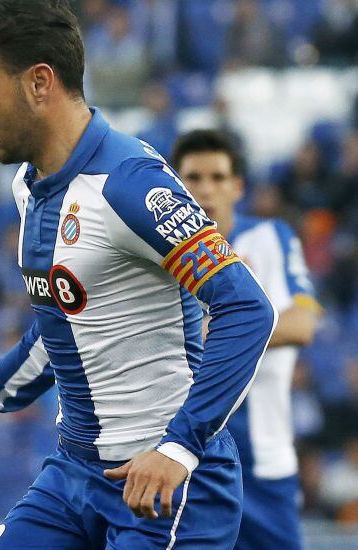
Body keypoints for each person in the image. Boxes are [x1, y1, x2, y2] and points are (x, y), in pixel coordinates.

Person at [0, 1, 277, 548]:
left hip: (164, 486)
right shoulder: (28, 184)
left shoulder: (129, 183)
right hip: (74, 474)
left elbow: (247, 309)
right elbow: (64, 329)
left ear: (39, 83)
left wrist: (178, 447)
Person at [171, 129, 320, 550]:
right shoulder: (157, 253)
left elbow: (303, 324)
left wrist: (220, 332)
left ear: (238, 187)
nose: (205, 190)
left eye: (218, 178)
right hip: (185, 454)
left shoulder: (271, 238)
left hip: (262, 462)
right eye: (193, 178)